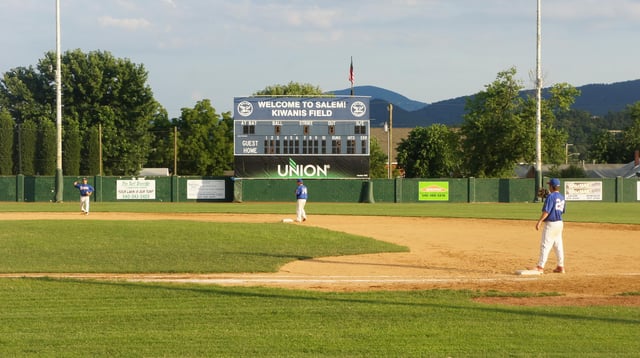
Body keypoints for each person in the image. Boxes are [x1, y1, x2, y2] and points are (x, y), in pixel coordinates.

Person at [533, 178, 566, 273]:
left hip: (551, 224)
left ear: (552, 186)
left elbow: (546, 211)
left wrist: (539, 221)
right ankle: (560, 266)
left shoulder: (550, 197)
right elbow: (562, 211)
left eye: (549, 185)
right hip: (559, 223)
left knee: (545, 245)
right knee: (558, 245)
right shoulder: (561, 197)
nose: (548, 186)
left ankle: (540, 266)